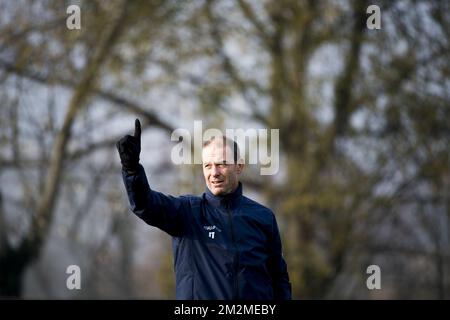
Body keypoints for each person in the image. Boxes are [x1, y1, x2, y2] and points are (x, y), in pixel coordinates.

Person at [116, 119, 291, 300]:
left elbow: (279, 279)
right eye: (208, 165)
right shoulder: (187, 212)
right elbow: (145, 204)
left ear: (239, 166)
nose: (214, 172)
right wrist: (132, 170)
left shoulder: (263, 217)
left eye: (221, 164)